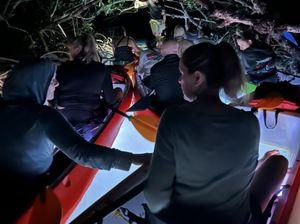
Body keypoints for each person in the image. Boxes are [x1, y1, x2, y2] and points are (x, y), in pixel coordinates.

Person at [144, 42, 288, 224]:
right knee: (280, 162)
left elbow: (155, 197)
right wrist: (261, 162)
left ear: (197, 78)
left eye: (182, 74)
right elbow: (241, 177)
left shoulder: (174, 117)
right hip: (237, 219)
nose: (179, 80)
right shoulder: (249, 122)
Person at [0, 59, 150, 223]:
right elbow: (83, 154)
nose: (57, 84)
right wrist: (135, 158)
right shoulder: (44, 115)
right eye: (52, 80)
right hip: (31, 187)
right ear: (37, 83)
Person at [55, 34, 118, 139]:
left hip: (63, 115)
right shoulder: (102, 69)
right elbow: (110, 100)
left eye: (71, 49)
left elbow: (54, 95)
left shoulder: (62, 67)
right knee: (112, 98)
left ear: (78, 48)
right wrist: (118, 91)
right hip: (89, 116)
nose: (70, 52)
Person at [144, 38, 184, 112]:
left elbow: (149, 85)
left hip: (165, 110)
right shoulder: (187, 64)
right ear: (178, 50)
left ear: (162, 51)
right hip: (187, 107)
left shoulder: (156, 68)